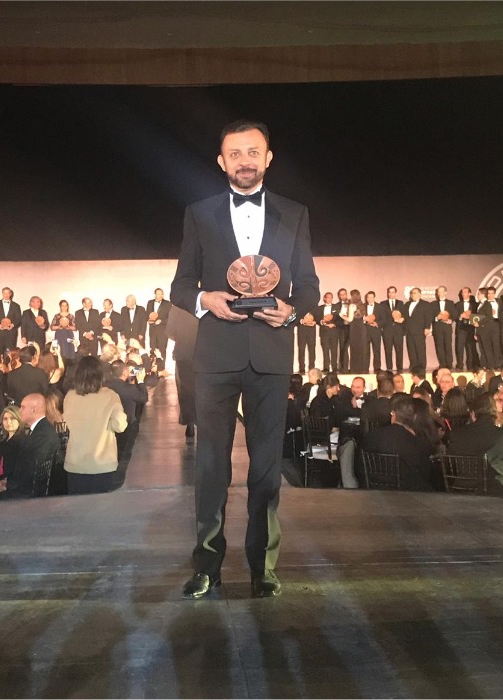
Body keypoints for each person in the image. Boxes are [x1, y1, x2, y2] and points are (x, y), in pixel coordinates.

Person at [170, 119, 319, 599]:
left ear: (268, 158)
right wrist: (204, 300)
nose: (245, 161)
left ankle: (263, 568)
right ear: (221, 162)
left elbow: (309, 286)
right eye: (235, 153)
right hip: (215, 355)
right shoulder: (199, 213)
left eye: (253, 151)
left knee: (266, 469)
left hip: (271, 355)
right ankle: (207, 566)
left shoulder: (294, 213)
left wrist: (292, 312)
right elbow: (180, 285)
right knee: (211, 467)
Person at [62, 356, 127, 494]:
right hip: (103, 463)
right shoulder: (110, 396)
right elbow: (120, 425)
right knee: (101, 506)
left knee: (77, 506)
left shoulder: (70, 396)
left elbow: (67, 422)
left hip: (75, 463)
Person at [362, 394, 434, 491]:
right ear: (414, 418)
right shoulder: (417, 442)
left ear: (394, 415)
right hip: (409, 493)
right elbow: (425, 473)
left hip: (375, 488)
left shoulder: (372, 436)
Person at [0, 393, 61, 499]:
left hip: (29, 495)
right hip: (26, 489)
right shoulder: (39, 430)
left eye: (23, 407)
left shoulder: (42, 434)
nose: (19, 411)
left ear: (34, 410)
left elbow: (32, 467)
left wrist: (8, 485)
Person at [166, 305, 199, 439]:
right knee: (201, 389)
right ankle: (200, 421)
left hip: (183, 352)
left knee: (185, 389)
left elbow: (170, 332)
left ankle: (189, 421)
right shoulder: (203, 304)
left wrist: (182, 336)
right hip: (200, 352)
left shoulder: (176, 308)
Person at [0, 405, 27, 497]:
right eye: (5, 419)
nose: (8, 422)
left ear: (19, 420)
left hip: (14, 489)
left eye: (12, 418)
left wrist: (6, 484)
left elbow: (22, 469)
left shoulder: (23, 442)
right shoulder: (1, 444)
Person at [403, 288, 431, 370]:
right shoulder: (407, 304)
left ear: (419, 294)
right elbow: (405, 316)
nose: (412, 294)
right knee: (411, 349)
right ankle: (413, 366)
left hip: (419, 330)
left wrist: (427, 327)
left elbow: (428, 317)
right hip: (409, 330)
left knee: (420, 349)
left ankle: (422, 367)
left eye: (414, 293)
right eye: (411, 293)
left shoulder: (425, 304)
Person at [0, 287, 22, 355]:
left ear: (10, 294)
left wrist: (13, 325)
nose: (6, 295)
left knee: (9, 353)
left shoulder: (16, 306)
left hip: (11, 333)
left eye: (8, 293)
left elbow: (19, 319)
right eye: (4, 293)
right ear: (2, 294)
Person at [431, 286, 457, 369]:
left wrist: (451, 320)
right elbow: (430, 316)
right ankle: (442, 364)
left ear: (445, 292)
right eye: (438, 292)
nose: (439, 293)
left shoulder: (450, 303)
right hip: (437, 328)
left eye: (441, 291)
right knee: (439, 347)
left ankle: (449, 364)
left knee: (448, 346)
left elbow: (455, 314)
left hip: (447, 328)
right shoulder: (433, 304)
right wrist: (436, 318)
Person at [313, 292, 340, 373]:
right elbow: (317, 318)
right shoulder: (320, 308)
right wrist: (322, 321)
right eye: (328, 297)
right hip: (324, 331)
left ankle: (334, 367)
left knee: (334, 350)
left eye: (331, 297)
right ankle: (326, 367)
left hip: (334, 331)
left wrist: (334, 324)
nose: (330, 299)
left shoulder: (336, 307)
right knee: (325, 350)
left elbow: (339, 319)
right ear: (325, 298)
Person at [380, 286, 405, 372]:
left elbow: (404, 315)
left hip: (398, 330)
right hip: (387, 331)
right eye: (389, 292)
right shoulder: (383, 304)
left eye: (393, 292)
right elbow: (381, 317)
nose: (391, 294)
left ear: (395, 293)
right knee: (388, 350)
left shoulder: (400, 303)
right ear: (387, 293)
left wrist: (402, 319)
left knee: (399, 350)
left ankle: (400, 369)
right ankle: (389, 369)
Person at [455, 286, 480, 371]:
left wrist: (471, 317)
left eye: (465, 292)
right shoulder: (458, 304)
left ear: (470, 293)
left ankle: (470, 365)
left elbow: (478, 316)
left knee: (470, 347)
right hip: (461, 328)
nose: (463, 294)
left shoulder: (475, 304)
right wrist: (461, 316)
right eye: (462, 292)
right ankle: (460, 365)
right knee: (459, 347)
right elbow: (455, 316)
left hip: (471, 328)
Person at [146, 288, 172, 364]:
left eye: (161, 294)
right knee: (153, 350)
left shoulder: (168, 304)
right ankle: (153, 368)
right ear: (155, 295)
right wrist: (149, 320)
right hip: (152, 331)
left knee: (162, 350)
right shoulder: (150, 303)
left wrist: (161, 321)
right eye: (158, 294)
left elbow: (170, 318)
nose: (160, 295)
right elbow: (147, 314)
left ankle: (162, 368)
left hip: (162, 332)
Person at [344, 289, 366, 374]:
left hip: (354, 328)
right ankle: (360, 368)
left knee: (354, 349)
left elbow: (349, 319)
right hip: (361, 328)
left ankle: (354, 369)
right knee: (360, 349)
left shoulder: (352, 305)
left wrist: (341, 315)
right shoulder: (362, 305)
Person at [363, 291, 384, 373]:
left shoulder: (380, 307)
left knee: (377, 350)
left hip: (376, 331)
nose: (370, 299)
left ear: (374, 298)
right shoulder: (362, 306)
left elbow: (384, 319)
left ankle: (377, 368)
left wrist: (377, 323)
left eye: (371, 297)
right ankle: (365, 367)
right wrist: (364, 320)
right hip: (365, 331)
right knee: (365, 350)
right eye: (368, 297)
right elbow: (358, 318)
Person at [297, 310, 316, 375]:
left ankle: (312, 367)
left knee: (312, 349)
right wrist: (301, 321)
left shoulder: (314, 308)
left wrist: (314, 321)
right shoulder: (300, 308)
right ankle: (302, 368)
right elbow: (295, 317)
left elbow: (318, 316)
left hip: (311, 330)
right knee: (301, 349)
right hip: (302, 330)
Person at [336, 288, 350, 373]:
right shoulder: (336, 306)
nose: (343, 296)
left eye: (344, 294)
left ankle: (353, 367)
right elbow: (336, 319)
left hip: (352, 328)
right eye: (341, 294)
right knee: (342, 348)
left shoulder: (351, 304)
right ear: (339, 296)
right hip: (342, 328)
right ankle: (343, 367)